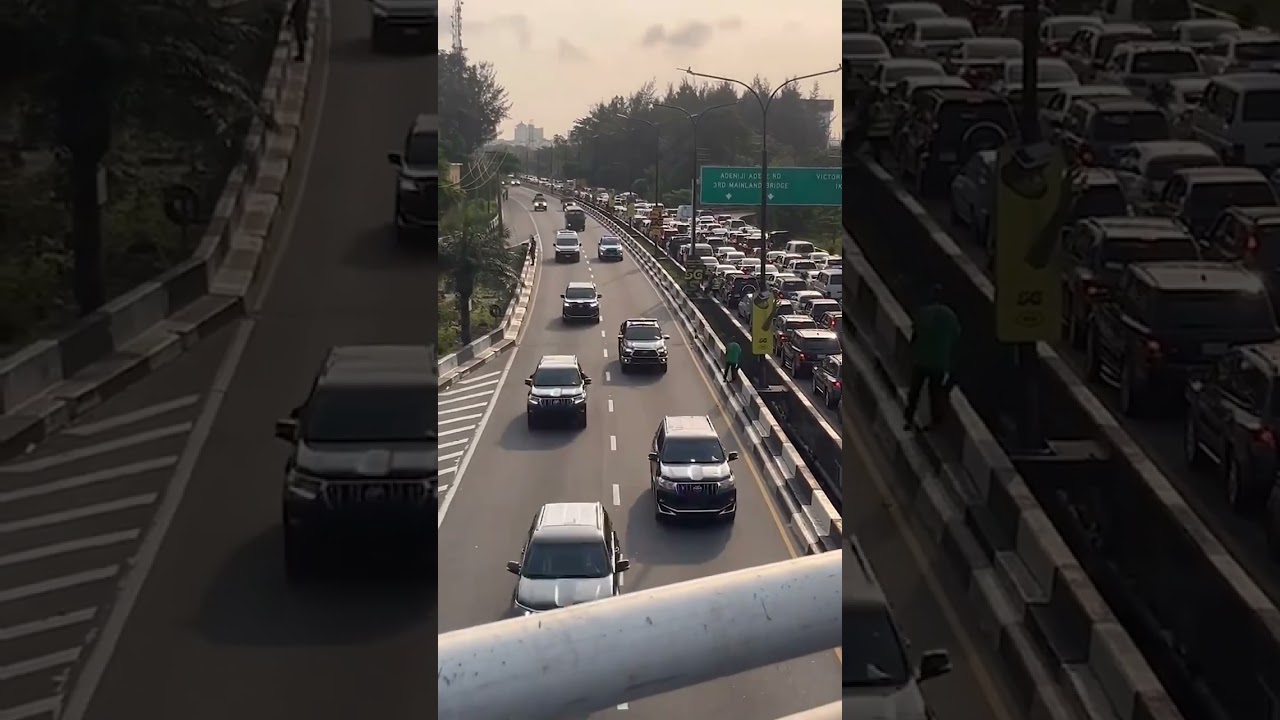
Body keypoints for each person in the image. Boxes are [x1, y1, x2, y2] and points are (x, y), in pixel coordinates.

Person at [903, 285, 961, 431]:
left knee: (915, 391)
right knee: (935, 392)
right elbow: (956, 339)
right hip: (940, 362)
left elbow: (915, 335)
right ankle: (936, 421)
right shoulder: (950, 316)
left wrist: (911, 352)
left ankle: (909, 418)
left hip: (921, 359)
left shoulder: (924, 312)